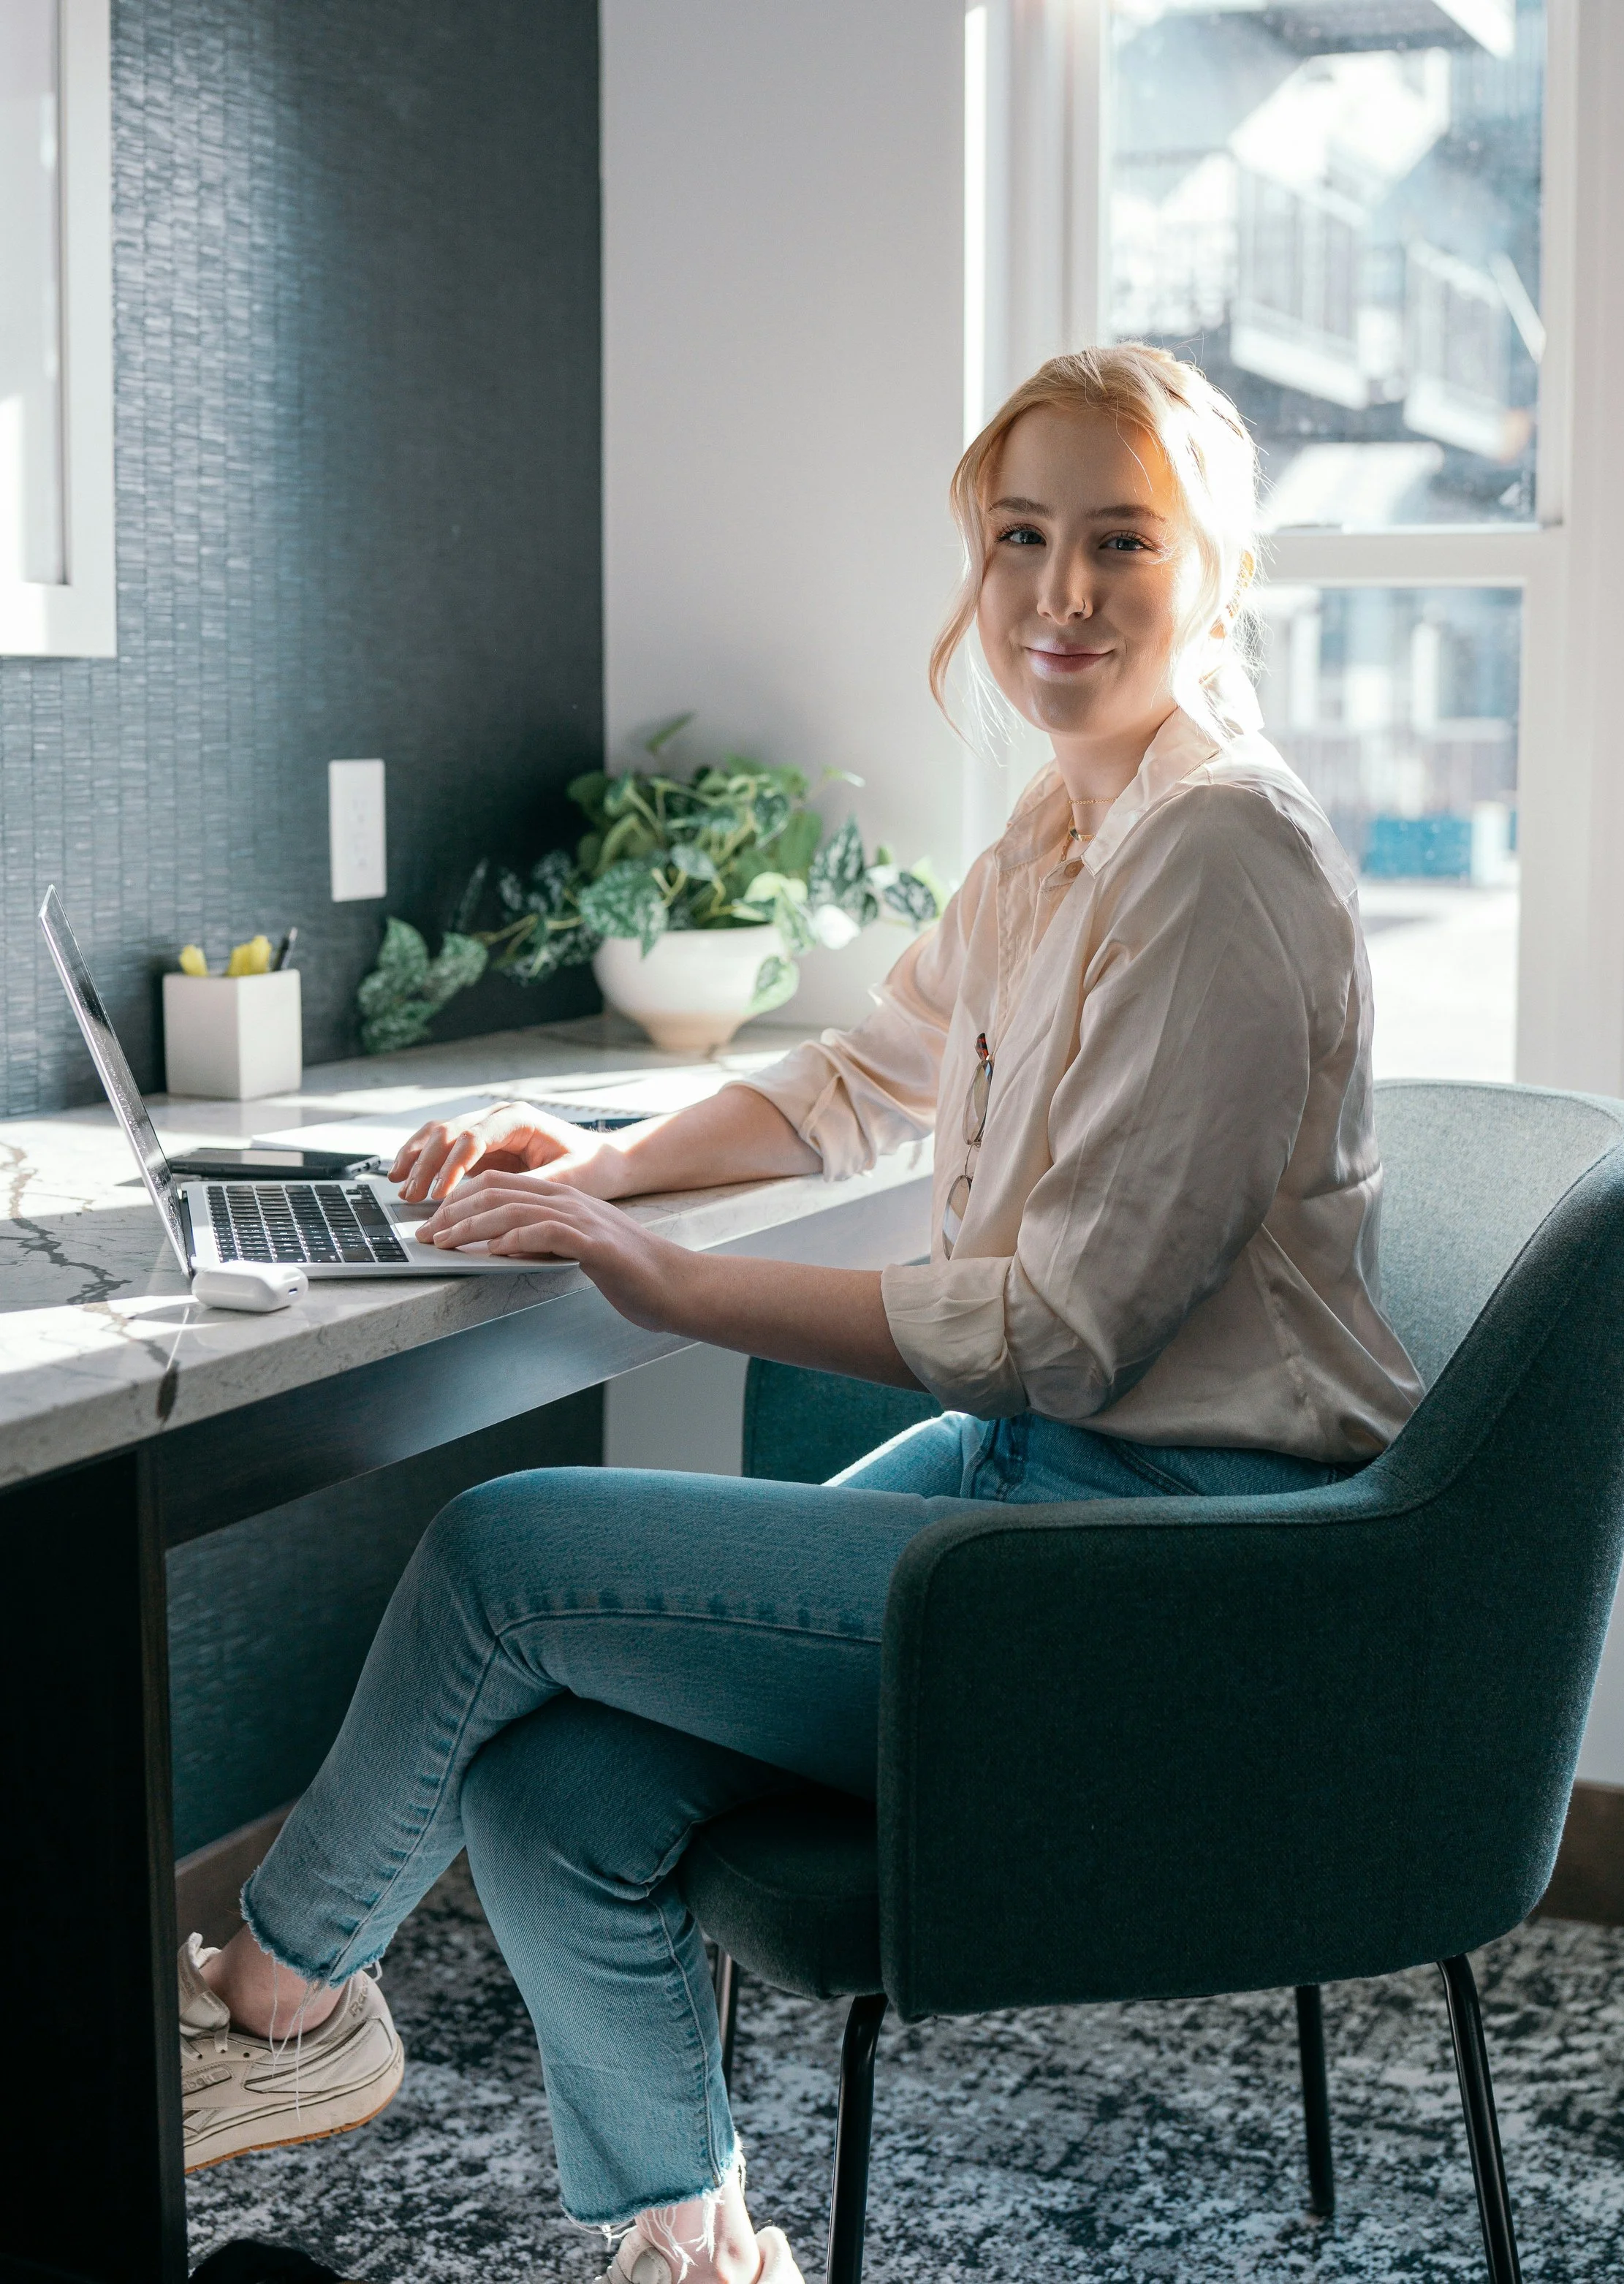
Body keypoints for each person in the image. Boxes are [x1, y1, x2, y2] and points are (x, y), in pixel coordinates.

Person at [177, 344, 1421, 2284]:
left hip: (1173, 1568)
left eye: (1120, 540)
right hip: (1049, 1489)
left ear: (1220, 569)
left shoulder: (1215, 854)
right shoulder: (1066, 825)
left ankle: (273, 1992)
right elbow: (858, 1077)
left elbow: (1061, 1333)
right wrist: (603, 1173)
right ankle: (693, 2248)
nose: (1058, 594)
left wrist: (675, 1285)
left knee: (502, 1554)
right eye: (1019, 538)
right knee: (546, 1779)